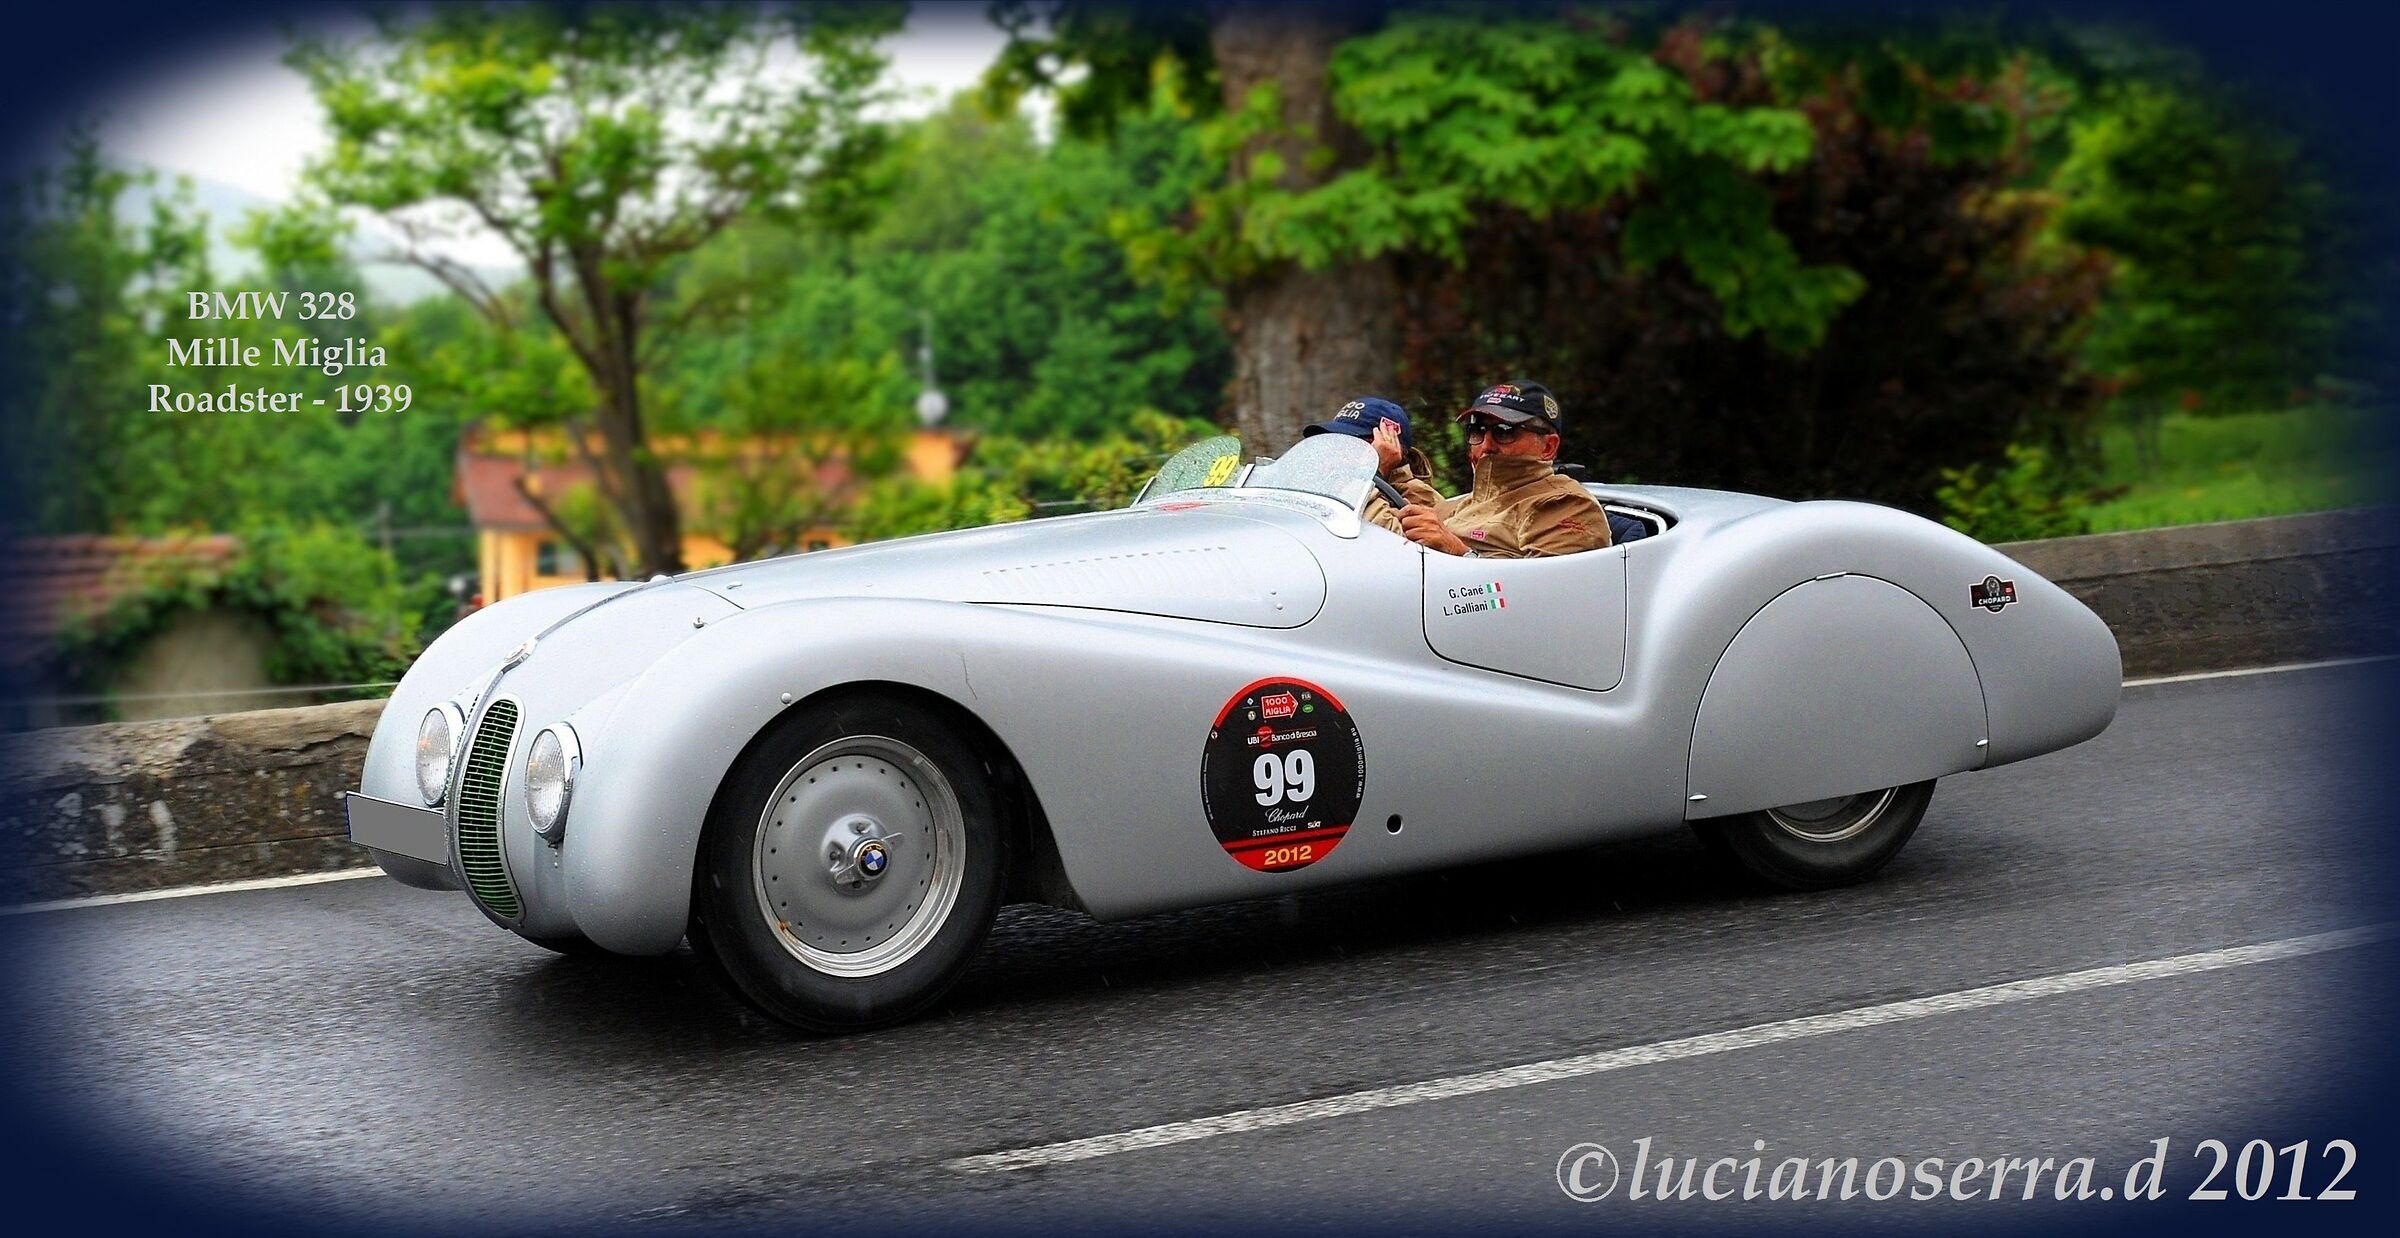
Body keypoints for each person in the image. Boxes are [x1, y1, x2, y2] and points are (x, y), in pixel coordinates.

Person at [1397, 381, 1609, 558]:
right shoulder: (1471, 501)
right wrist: (1388, 469)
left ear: (1548, 447)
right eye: (1477, 430)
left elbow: (1542, 596)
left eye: (1505, 431)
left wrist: (1459, 552)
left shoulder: (1567, 505)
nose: (1486, 445)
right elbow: (1397, 521)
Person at [1298, 397, 1442, 533]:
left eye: (1350, 443)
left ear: (1388, 445)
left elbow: (1389, 543)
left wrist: (1373, 469)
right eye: (1334, 441)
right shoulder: (1336, 483)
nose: (1337, 451)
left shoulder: (1417, 495)